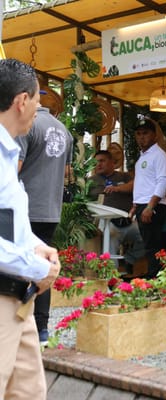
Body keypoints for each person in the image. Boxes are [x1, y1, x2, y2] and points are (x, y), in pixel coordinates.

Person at [0, 58, 61, 399]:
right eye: (38, 100)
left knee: (29, 391)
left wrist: (37, 246)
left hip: (18, 300)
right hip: (4, 295)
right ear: (22, 101)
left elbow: (7, 220)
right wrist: (38, 268)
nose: (39, 108)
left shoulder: (9, 153)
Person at [16, 102, 73, 346]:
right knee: (43, 266)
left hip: (25, 208)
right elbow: (67, 173)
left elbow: (12, 169)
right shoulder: (65, 131)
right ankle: (41, 329)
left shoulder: (26, 125)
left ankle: (18, 326)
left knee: (17, 266)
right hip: (51, 209)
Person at [89, 150, 145, 274]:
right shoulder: (91, 181)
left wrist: (117, 188)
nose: (98, 164)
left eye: (102, 161)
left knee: (146, 236)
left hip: (128, 221)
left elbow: (136, 185)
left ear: (112, 162)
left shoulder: (124, 177)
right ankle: (111, 276)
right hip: (107, 222)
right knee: (110, 241)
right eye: (96, 162)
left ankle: (129, 259)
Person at [130, 118, 166, 278]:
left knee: (153, 245)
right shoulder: (143, 157)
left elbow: (163, 181)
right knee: (148, 244)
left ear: (155, 135)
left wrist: (150, 206)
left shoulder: (159, 155)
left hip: (152, 205)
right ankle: (153, 275)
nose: (141, 137)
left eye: (145, 133)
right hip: (142, 204)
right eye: (138, 134)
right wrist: (135, 205)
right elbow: (143, 183)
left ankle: (155, 277)